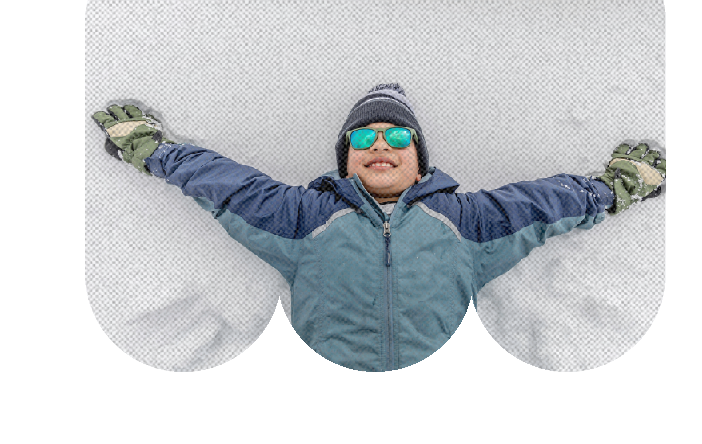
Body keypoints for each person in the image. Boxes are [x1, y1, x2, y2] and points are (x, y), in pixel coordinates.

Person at [91, 82, 666, 372]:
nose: (381, 145)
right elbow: (225, 183)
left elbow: (548, 205)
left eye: (397, 137)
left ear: (420, 156)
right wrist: (151, 148)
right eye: (364, 138)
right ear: (346, 157)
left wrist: (619, 185)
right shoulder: (303, 217)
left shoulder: (466, 220)